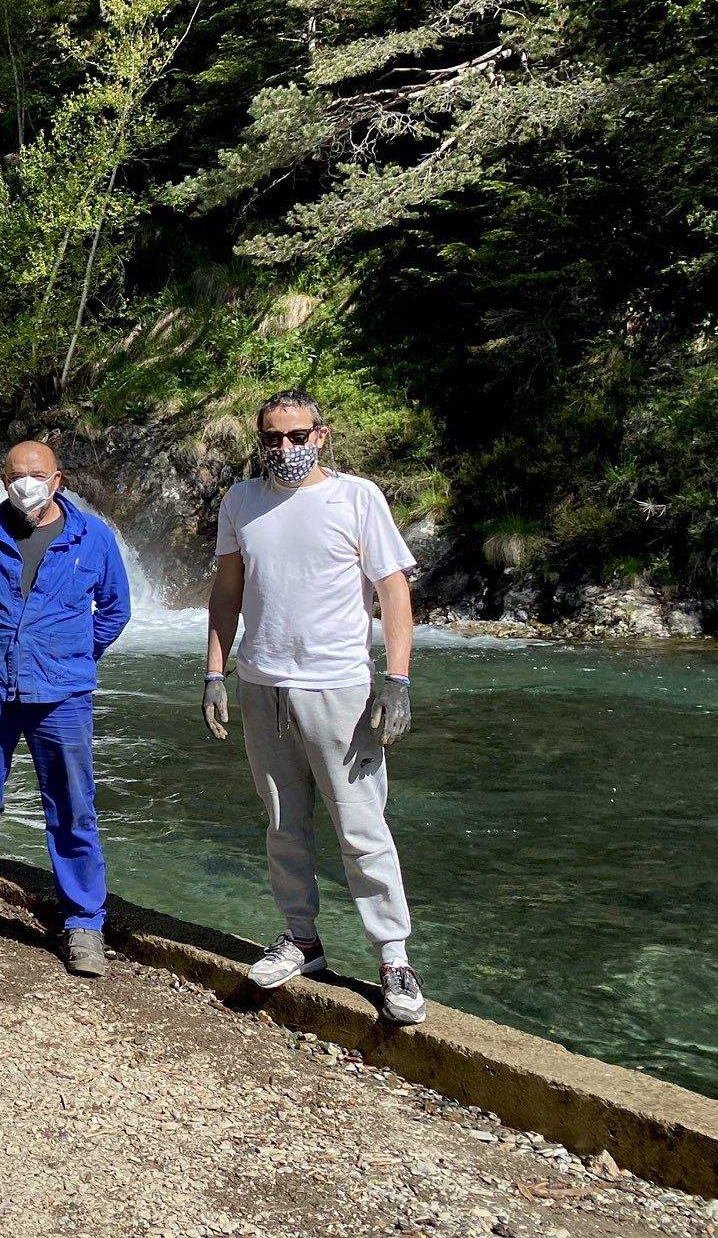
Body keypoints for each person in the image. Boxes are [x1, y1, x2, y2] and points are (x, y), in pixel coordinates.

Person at [203, 388, 426, 1025]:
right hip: (262, 684)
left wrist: (398, 681)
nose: (285, 449)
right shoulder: (242, 501)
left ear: (320, 436)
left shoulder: (357, 497)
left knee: (362, 828)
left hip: (340, 687)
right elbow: (227, 590)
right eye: (272, 438)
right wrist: (215, 672)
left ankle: (393, 956)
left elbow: (393, 592)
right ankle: (302, 939)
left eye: (297, 437)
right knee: (283, 823)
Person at [0, 441, 131, 976]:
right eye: (16, 474)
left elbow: (115, 609)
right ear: (2, 479)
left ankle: (83, 922)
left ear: (56, 479)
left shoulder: (94, 537)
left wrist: (71, 654)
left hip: (62, 695)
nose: (26, 483)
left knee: (72, 807)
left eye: (35, 474)